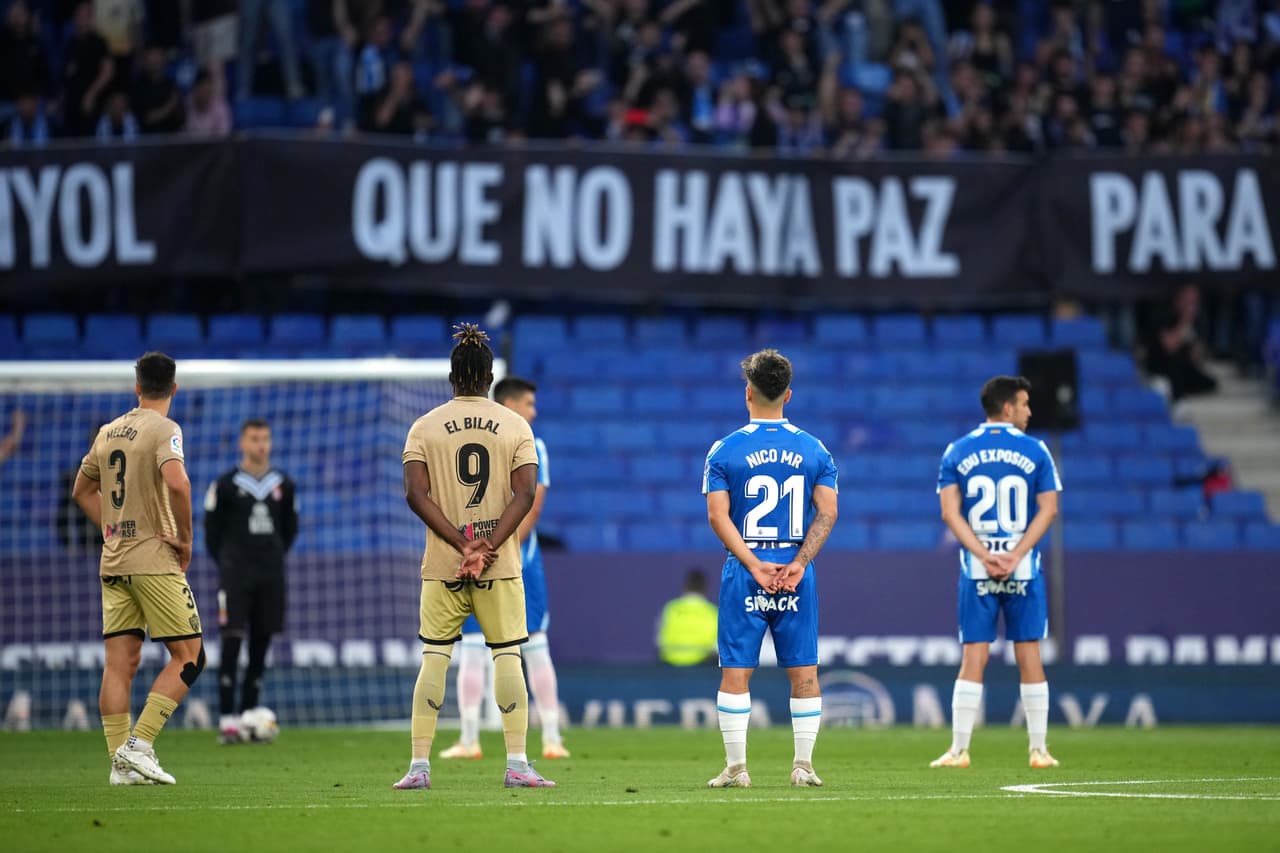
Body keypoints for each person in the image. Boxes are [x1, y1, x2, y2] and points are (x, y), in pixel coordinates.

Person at [393, 324, 554, 790]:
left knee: (435, 658)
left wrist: (461, 544)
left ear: (452, 376)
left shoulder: (423, 426)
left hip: (444, 563)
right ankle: (519, 765)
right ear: (488, 378)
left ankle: (418, 768)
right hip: (499, 564)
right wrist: (487, 546)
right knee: (507, 656)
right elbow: (524, 496)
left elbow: (415, 494)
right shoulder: (516, 426)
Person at [702, 349, 838, 789]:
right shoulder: (815, 448)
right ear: (788, 395)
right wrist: (798, 563)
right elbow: (828, 512)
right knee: (804, 672)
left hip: (747, 568)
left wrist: (754, 564)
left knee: (736, 671)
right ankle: (803, 766)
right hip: (797, 570)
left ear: (748, 393)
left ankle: (737, 768)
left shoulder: (725, 449)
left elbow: (718, 517)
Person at [71, 352, 204, 786]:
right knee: (190, 656)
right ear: (174, 389)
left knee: (119, 663)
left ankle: (119, 766)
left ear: (137, 388)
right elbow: (178, 482)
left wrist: (110, 530)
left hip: (113, 559)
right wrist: (184, 538)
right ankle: (139, 745)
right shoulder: (166, 430)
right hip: (153, 560)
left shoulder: (109, 430)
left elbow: (82, 489)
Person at [931, 375, 1062, 770]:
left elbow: (949, 513)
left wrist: (985, 555)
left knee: (974, 656)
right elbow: (1049, 509)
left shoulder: (958, 450)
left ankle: (958, 750)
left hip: (977, 570)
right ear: (1007, 407)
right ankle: (1039, 751)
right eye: (1024, 404)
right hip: (1023, 569)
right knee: (1030, 655)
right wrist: (1016, 553)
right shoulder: (1036, 450)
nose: (1029, 411)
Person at [440, 376, 568, 761]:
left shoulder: (467, 444)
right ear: (510, 405)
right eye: (529, 404)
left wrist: (477, 550)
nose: (534, 411)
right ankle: (546, 739)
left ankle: (484, 738)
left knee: (482, 648)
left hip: (477, 556)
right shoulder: (530, 444)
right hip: (515, 560)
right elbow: (532, 505)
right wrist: (501, 549)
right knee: (530, 647)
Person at [204, 418, 298, 744]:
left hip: (271, 574)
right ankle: (227, 719)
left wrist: (268, 558)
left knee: (261, 644)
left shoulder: (284, 484)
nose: (261, 444)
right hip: (236, 576)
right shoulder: (226, 485)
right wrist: (232, 564)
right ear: (242, 443)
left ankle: (248, 714)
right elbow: (211, 534)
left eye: (265, 439)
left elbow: (289, 530)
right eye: (255, 438)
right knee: (231, 642)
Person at [656, 569, 718, 666]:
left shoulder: (671, 609)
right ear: (704, 589)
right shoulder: (713, 612)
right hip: (702, 666)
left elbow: (659, 642)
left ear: (685, 587)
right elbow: (717, 648)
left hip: (670, 666)